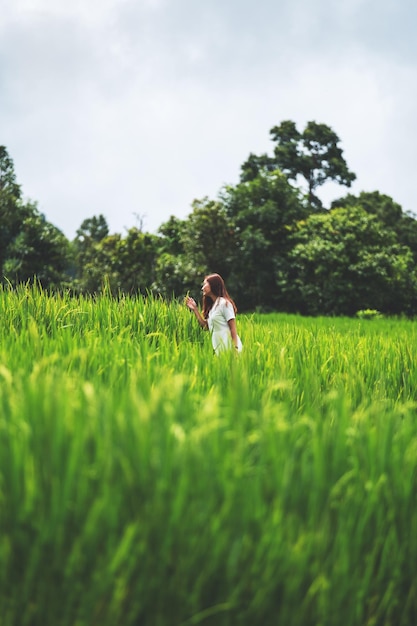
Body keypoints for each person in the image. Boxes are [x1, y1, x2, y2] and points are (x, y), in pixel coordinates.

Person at [186, 273, 243, 355]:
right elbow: (206, 327)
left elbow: (233, 328)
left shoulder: (224, 304)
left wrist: (235, 349)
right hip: (219, 348)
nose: (202, 288)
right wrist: (195, 309)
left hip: (230, 347)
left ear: (213, 285)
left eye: (205, 284)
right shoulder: (214, 307)